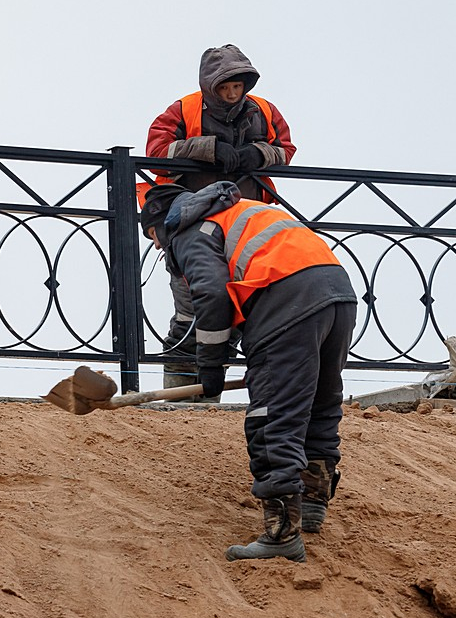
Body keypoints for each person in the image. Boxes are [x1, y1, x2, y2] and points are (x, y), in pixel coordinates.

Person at [139, 181, 356, 562]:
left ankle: (281, 534)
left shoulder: (189, 230)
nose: (157, 246)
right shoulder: (238, 210)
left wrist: (209, 366)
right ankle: (311, 504)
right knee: (320, 403)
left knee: (272, 415)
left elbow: (212, 293)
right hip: (337, 291)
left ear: (163, 223)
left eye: (153, 236)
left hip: (285, 297)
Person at [144, 44, 298, 396]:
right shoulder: (183, 109)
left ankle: (209, 392)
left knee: (242, 305)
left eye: (237, 86)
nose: (231, 94)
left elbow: (286, 151)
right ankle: (180, 391)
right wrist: (208, 148)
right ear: (209, 86)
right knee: (191, 305)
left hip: (248, 224)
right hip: (194, 219)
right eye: (224, 87)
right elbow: (156, 155)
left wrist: (254, 153)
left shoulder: (264, 111)